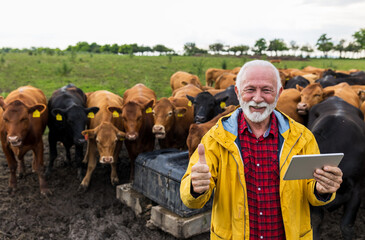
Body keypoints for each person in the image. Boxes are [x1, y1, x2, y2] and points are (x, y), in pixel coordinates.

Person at [180, 60, 343, 240]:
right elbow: (191, 198)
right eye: (250, 90)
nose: (258, 98)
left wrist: (322, 189)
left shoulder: (302, 138)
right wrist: (196, 188)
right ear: (237, 92)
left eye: (266, 90)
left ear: (279, 93)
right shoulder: (215, 138)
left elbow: (313, 193)